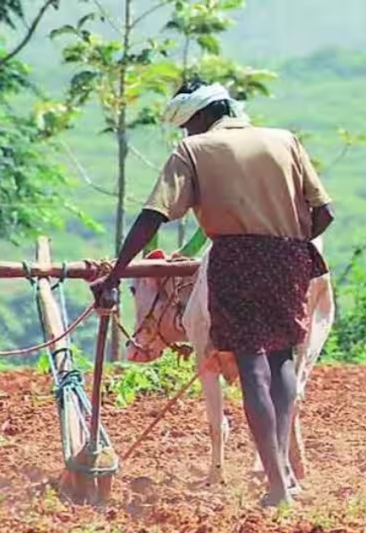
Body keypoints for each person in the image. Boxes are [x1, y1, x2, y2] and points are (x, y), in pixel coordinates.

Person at [89, 79, 335, 507]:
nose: (186, 134)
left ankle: (277, 485)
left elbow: (154, 216)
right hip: (292, 257)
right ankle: (280, 477)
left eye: (187, 125)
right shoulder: (285, 140)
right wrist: (289, 244)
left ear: (202, 117)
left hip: (235, 260)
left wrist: (116, 272)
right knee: (281, 363)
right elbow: (326, 212)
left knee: (252, 366)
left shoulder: (194, 151)